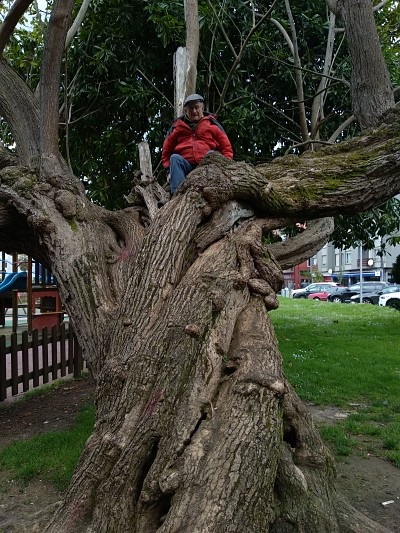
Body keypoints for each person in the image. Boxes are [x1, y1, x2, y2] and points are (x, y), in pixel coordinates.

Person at [162, 93, 233, 194]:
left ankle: (210, 191)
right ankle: (177, 196)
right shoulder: (177, 127)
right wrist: (168, 171)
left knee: (211, 155)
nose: (194, 111)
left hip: (207, 166)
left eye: (196, 107)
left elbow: (226, 147)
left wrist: (227, 165)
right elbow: (166, 151)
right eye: (190, 108)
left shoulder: (212, 124)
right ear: (185, 110)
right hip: (186, 166)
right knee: (174, 158)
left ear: (202, 107)